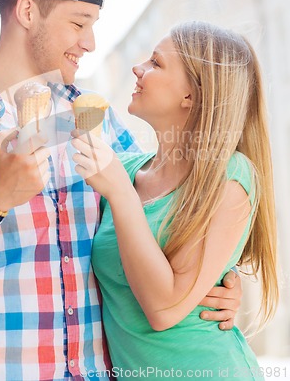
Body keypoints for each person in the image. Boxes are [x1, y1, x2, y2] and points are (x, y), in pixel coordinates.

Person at [0, 0, 241, 381]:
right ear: (27, 13)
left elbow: (162, 220)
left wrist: (217, 278)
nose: (91, 42)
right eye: (79, 23)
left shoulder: (95, 120)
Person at [72, 21, 279, 380]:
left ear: (191, 96)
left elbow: (164, 309)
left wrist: (121, 194)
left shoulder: (231, 175)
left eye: (155, 63)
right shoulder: (125, 168)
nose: (138, 69)